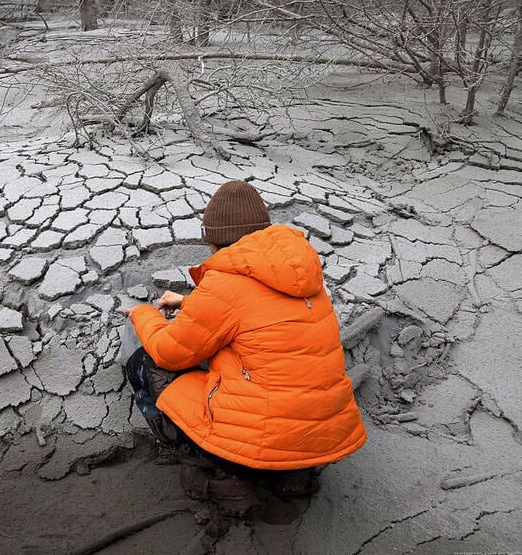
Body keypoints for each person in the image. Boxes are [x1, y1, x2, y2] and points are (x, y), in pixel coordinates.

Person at [122, 180, 367, 515]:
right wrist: (190, 303)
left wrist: (143, 313)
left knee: (145, 362)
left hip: (263, 441)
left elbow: (169, 351)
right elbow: (257, 312)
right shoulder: (303, 274)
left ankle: (223, 475)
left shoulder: (224, 282)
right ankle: (293, 476)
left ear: (214, 240)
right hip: (320, 439)